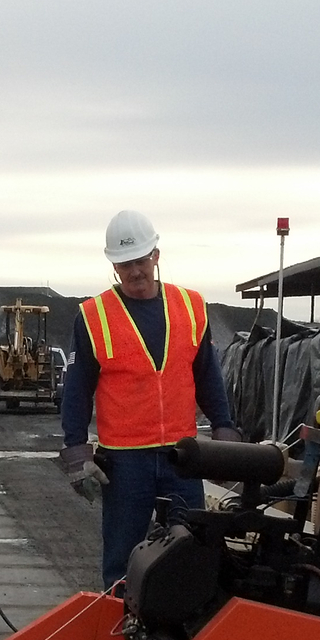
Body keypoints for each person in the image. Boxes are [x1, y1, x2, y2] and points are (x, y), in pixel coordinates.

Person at [60, 210, 241, 590]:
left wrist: (223, 426)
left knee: (189, 551)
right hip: (125, 462)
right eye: (125, 264)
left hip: (182, 456)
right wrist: (76, 449)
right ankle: (119, 628)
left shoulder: (191, 307)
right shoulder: (94, 317)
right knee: (122, 561)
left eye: (141, 261)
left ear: (156, 256)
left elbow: (207, 373)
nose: (135, 272)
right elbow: (78, 387)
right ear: (113, 265)